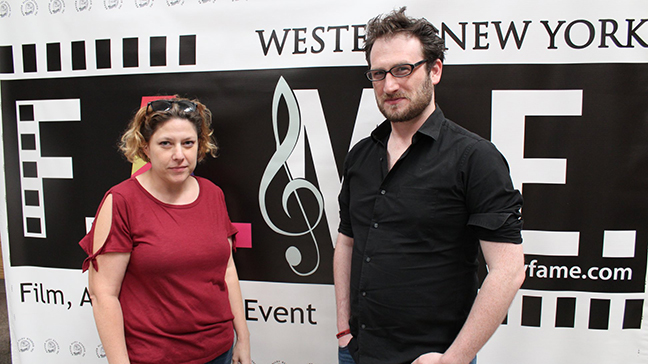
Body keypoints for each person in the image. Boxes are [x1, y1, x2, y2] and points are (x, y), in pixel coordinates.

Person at [334, 8, 525, 364]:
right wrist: (344, 325)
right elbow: (347, 240)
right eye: (378, 74)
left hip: (432, 358)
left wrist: (453, 359)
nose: (389, 85)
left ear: (434, 70)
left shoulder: (475, 158)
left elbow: (509, 270)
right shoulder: (360, 156)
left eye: (403, 69)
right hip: (357, 351)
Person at [80, 97, 251, 364]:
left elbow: (227, 270)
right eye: (165, 144)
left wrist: (243, 337)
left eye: (188, 143)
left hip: (219, 351)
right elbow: (104, 294)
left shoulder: (213, 194)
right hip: (154, 357)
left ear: (200, 145)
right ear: (145, 147)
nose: (179, 155)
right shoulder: (122, 201)